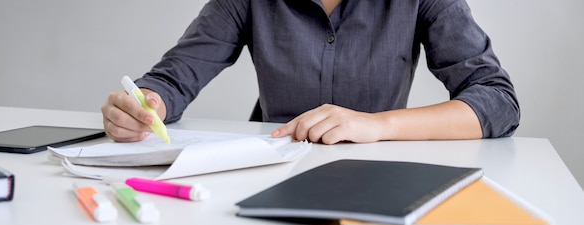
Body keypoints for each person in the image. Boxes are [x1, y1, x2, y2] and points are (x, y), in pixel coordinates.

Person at [101, 0, 519, 145]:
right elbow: (174, 79)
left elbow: (496, 101)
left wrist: (377, 125)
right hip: (269, 175)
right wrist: (145, 103)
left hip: (379, 174)